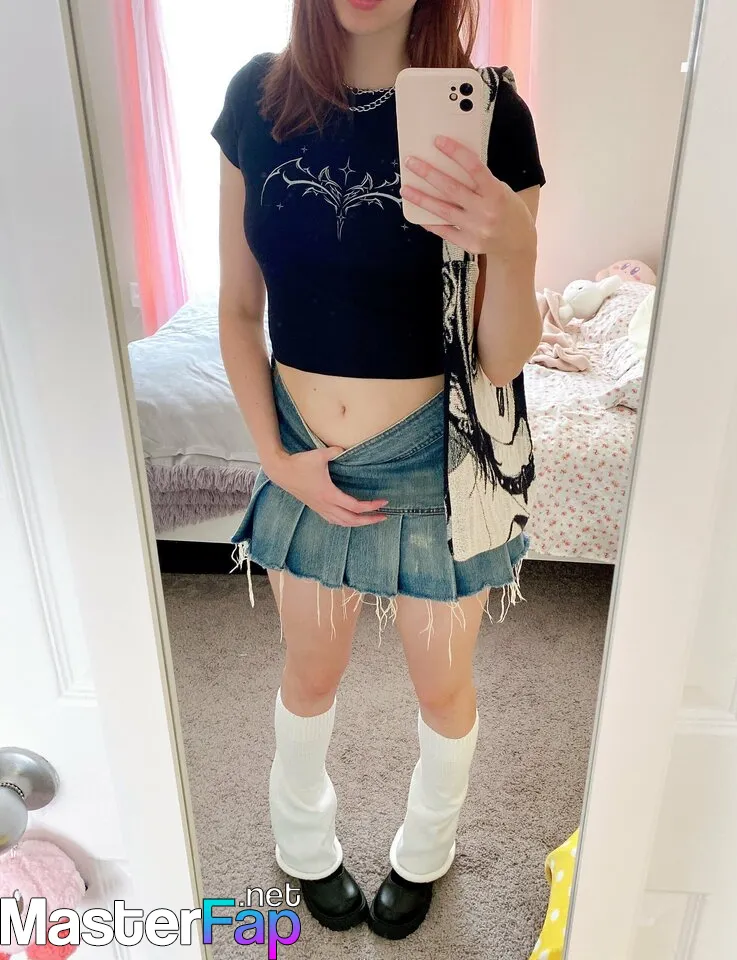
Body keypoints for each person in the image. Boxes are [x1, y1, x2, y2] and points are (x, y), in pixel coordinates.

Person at [212, 0, 545, 940]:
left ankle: (426, 851)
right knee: (310, 671)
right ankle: (302, 842)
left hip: (438, 461)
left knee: (442, 685)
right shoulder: (257, 98)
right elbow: (238, 308)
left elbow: (502, 356)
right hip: (304, 456)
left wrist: (514, 244)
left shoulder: (491, 114)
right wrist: (276, 459)